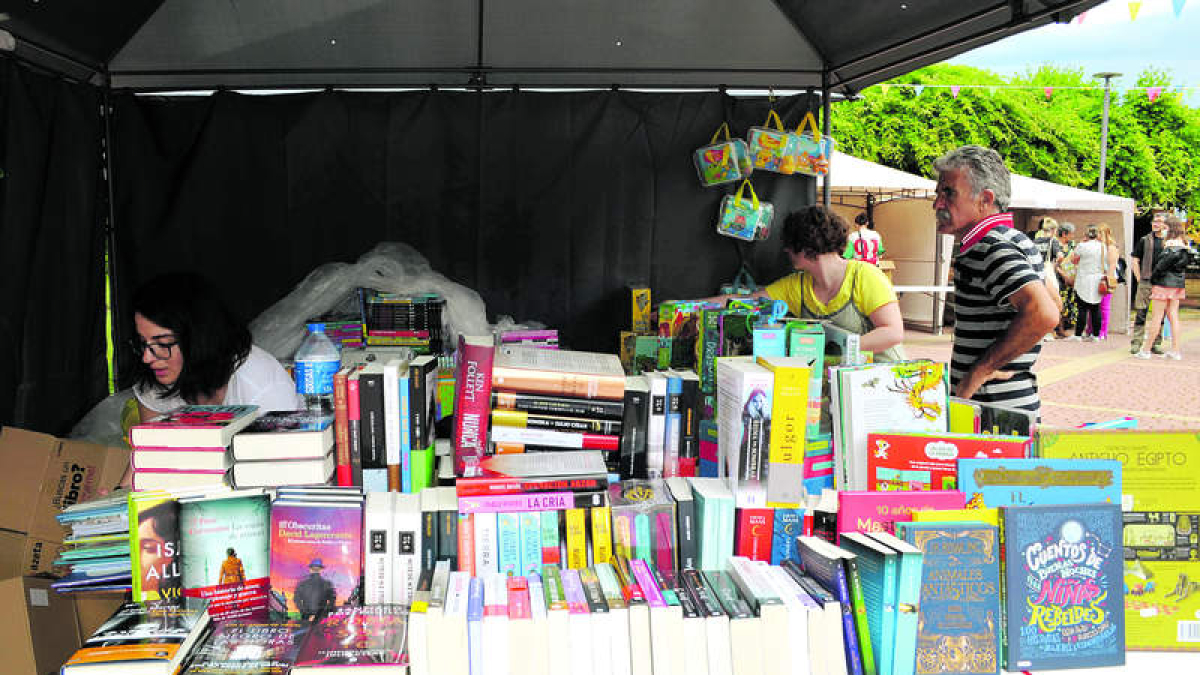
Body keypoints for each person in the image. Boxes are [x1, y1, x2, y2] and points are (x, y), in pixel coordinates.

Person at [932, 145, 1059, 415]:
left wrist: (979, 372)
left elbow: (1045, 314)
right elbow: (1054, 302)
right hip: (1010, 405)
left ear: (985, 199)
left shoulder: (991, 248)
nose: (937, 204)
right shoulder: (1016, 239)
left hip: (992, 411)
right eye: (938, 193)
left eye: (948, 193)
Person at [705, 205, 905, 361]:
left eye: (790, 245)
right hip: (836, 387)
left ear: (806, 246)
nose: (786, 251)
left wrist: (835, 348)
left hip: (884, 386)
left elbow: (893, 332)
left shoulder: (865, 276)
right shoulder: (797, 286)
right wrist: (691, 306)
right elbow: (745, 301)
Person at [129, 272, 300, 423]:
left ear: (199, 338)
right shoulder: (158, 379)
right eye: (143, 342)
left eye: (163, 343)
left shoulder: (262, 386)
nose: (147, 358)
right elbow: (151, 454)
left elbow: (283, 455)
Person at [1135, 216, 1190, 360]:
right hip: (1177, 285)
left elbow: (1160, 267)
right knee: (1173, 316)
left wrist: (1153, 278)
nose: (1162, 230)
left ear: (1170, 229)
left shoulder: (1170, 248)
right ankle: (1176, 350)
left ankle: (1146, 350)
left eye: (1165, 228)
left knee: (1156, 317)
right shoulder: (1183, 247)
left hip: (1163, 285)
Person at [1130, 212, 1168, 354]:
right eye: (1154, 221)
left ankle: (1156, 343)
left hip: (1163, 282)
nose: (1155, 223)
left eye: (1159, 221)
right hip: (1146, 280)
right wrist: (1139, 277)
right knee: (1141, 312)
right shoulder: (1145, 240)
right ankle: (1136, 342)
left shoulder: (1169, 242)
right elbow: (1135, 259)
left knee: (1160, 314)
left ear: (1165, 225)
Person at [1068, 225, 1106, 341]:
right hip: (1097, 278)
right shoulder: (1103, 246)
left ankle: (1078, 334)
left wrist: (1080, 244)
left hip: (1084, 279)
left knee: (1082, 308)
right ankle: (1096, 335)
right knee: (1096, 308)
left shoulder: (1082, 246)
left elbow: (1073, 259)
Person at [1095, 222, 1122, 339]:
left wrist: (1107, 279)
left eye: (1099, 233)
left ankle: (1103, 330)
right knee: (1094, 305)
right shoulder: (1097, 246)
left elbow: (1112, 265)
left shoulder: (1110, 247)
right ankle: (1093, 329)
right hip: (1097, 276)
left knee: (1104, 305)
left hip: (1106, 278)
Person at [1053, 222, 1079, 339]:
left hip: (1070, 280)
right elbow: (1053, 263)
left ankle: (1064, 327)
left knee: (1068, 304)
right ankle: (1059, 329)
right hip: (1058, 278)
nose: (1072, 236)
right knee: (1058, 303)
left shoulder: (1072, 245)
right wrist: (1063, 274)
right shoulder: (1055, 244)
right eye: (1071, 234)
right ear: (1064, 234)